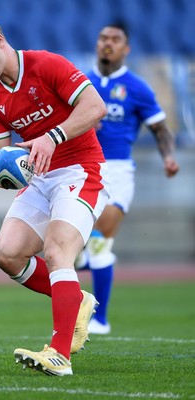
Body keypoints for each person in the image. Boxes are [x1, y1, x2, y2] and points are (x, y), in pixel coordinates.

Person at [0, 16, 110, 376]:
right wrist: (2, 172)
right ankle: (75, 299)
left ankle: (59, 355)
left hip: (80, 169)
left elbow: (95, 108)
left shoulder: (46, 65)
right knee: (6, 254)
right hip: (39, 180)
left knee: (57, 251)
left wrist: (51, 137)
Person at [75, 23, 180, 335]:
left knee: (99, 241)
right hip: (80, 167)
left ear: (126, 48)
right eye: (103, 38)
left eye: (115, 39)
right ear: (97, 44)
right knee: (78, 240)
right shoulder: (80, 82)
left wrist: (169, 157)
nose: (108, 43)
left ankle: (101, 319)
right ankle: (78, 255)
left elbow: (160, 129)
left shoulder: (137, 87)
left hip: (118, 171)